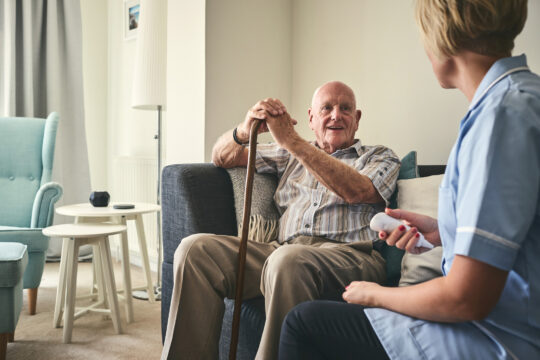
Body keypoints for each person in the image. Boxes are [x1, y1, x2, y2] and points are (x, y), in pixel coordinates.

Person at [279, 0, 540, 359]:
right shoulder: (514, 101)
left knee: (304, 323)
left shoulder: (501, 118)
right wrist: (440, 232)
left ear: (442, 36)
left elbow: (467, 298)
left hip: (497, 337)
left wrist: (375, 294)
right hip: (496, 321)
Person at [161, 81, 401, 360]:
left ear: (357, 119)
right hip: (280, 250)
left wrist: (293, 142)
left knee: (289, 260)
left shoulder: (379, 156)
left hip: (350, 256)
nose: (336, 115)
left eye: (345, 108)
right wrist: (243, 129)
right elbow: (223, 157)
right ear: (311, 118)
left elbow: (357, 191)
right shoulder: (288, 155)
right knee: (195, 250)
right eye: (327, 108)